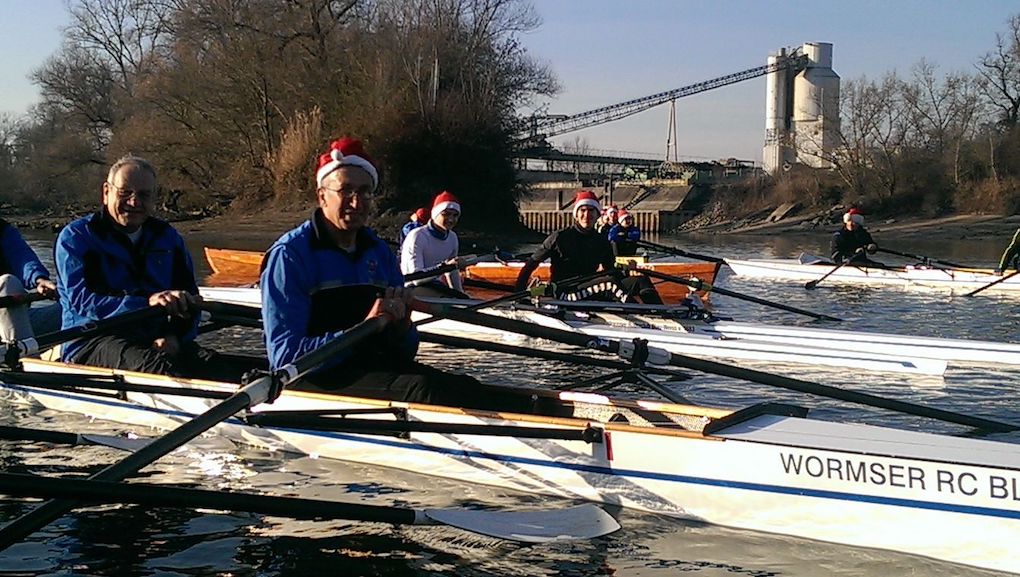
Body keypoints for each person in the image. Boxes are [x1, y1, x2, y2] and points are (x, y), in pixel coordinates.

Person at [260, 137, 558, 414]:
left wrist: (402, 328)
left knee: (468, 386)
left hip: (374, 369)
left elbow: (406, 352)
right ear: (322, 196)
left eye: (365, 192)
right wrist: (362, 329)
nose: (356, 201)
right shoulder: (290, 256)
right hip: (314, 380)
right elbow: (285, 358)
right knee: (427, 390)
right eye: (346, 190)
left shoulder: (378, 252)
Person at [55, 155, 261, 381]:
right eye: (125, 193)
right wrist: (147, 303)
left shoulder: (167, 237)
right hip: (91, 339)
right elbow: (84, 301)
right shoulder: (77, 237)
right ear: (106, 192)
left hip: (154, 337)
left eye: (144, 195)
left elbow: (190, 297)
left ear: (154, 197)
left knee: (223, 370)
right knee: (162, 369)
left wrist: (175, 336)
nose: (134, 202)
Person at [514, 191, 662, 304]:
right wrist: (519, 295)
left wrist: (627, 272)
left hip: (590, 289)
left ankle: (661, 313)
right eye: (583, 210)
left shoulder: (601, 240)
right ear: (576, 215)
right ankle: (642, 316)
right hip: (566, 292)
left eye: (591, 211)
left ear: (597, 215)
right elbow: (530, 265)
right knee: (609, 284)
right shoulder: (559, 237)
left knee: (641, 280)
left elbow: (611, 270)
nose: (587, 215)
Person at [0, 219, 61, 343]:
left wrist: (39, 279)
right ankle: (24, 352)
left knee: (77, 309)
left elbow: (21, 257)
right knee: (8, 283)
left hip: (16, 317)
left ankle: (24, 348)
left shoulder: (2, 229)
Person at [401, 191, 469, 298]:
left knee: (463, 298)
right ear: (435, 214)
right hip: (410, 288)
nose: (451, 219)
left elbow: (452, 272)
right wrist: (445, 267)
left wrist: (462, 296)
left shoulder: (452, 237)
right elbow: (416, 279)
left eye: (455, 215)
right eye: (446, 214)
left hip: (434, 286)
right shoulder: (417, 236)